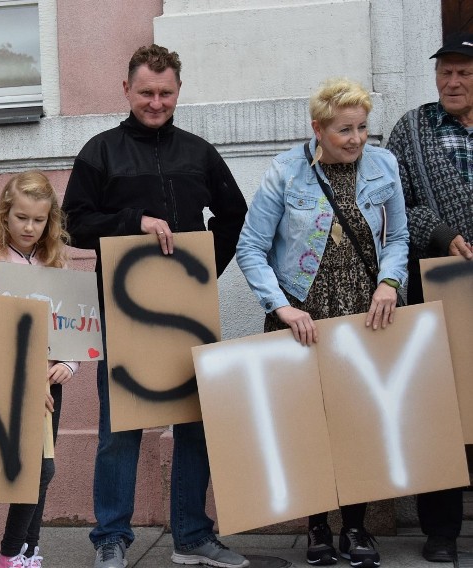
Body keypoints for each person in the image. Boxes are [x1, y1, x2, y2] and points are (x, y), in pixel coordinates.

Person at [62, 44, 250, 568]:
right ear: (127, 90)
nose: (155, 102)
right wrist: (133, 221)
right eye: (146, 92)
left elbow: (236, 214)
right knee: (120, 427)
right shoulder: (100, 151)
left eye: (165, 93)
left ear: (178, 91)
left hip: (187, 312)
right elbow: (73, 223)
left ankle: (192, 535)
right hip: (122, 312)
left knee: (194, 421)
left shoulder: (199, 151)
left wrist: (204, 268)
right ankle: (111, 538)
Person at [236, 78, 409, 568]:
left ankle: (354, 528)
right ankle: (316, 527)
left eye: (362, 128)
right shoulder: (286, 172)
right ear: (317, 129)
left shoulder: (384, 166)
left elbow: (398, 236)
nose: (356, 139)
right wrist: (280, 306)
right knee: (306, 423)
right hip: (303, 317)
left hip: (364, 310)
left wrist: (389, 283)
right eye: (344, 130)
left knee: (358, 419)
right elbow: (249, 248)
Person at [385, 32, 473, 564]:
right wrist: (440, 232)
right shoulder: (411, 129)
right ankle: (440, 529)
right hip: (435, 284)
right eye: (446, 72)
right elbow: (393, 205)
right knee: (438, 406)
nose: (453, 81)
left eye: (464, 72)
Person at [0, 171, 79, 568]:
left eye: (39, 220)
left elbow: (71, 321)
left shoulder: (56, 263)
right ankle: (8, 553)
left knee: (42, 469)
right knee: (38, 469)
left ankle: (29, 551)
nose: (29, 227)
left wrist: (68, 363)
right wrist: (25, 379)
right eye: (21, 217)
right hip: (13, 384)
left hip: (50, 384)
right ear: (6, 215)